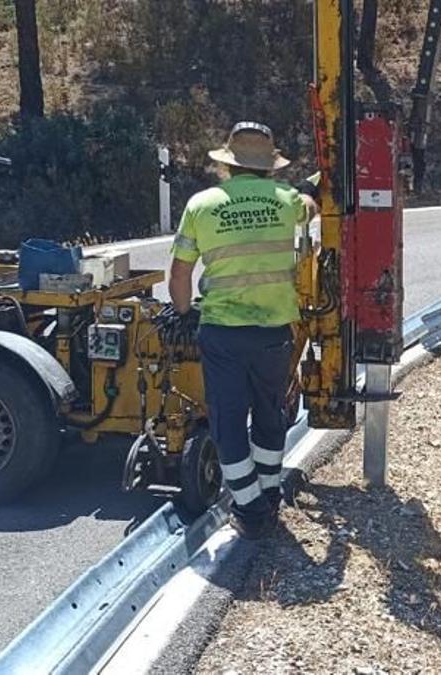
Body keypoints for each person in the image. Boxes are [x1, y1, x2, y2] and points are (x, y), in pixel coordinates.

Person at [168, 122, 317, 540]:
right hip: (273, 332)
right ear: (270, 166)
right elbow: (310, 204)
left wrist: (184, 313)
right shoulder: (286, 200)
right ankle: (269, 493)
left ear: (228, 165)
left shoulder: (202, 204)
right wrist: (315, 181)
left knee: (228, 421)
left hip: (223, 333)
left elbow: (180, 274)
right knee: (271, 413)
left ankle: (250, 509)